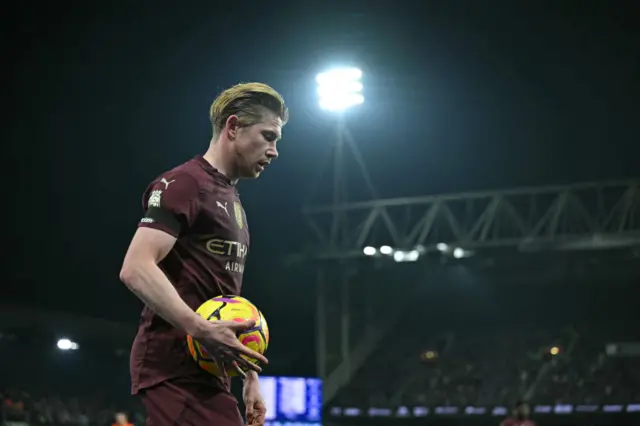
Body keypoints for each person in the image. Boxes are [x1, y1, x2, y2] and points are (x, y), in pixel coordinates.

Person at [119, 82, 288, 426]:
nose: (274, 151)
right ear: (233, 126)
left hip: (208, 368)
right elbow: (136, 267)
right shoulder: (184, 183)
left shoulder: (230, 198)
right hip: (174, 365)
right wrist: (199, 328)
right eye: (268, 136)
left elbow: (225, 301)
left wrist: (249, 376)